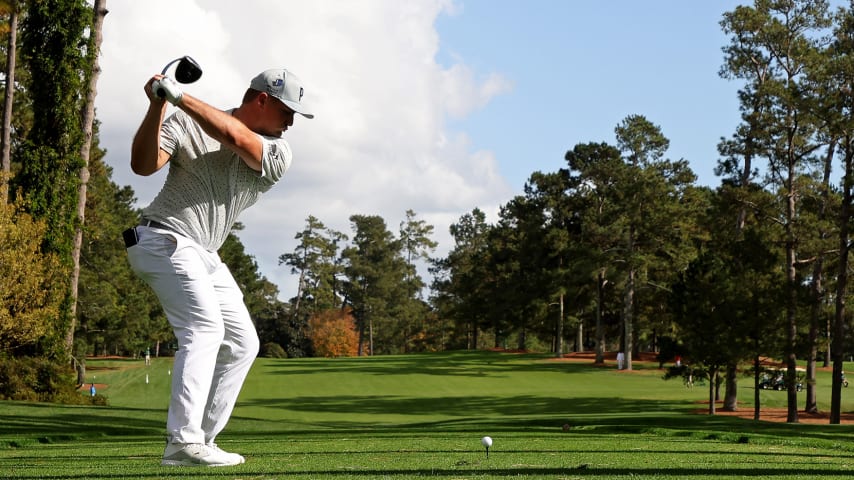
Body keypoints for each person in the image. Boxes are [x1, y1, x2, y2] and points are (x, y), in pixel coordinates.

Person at [124, 67, 314, 467]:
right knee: (205, 328)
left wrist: (176, 96)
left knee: (244, 343)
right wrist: (157, 107)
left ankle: (201, 439)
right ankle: (183, 440)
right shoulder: (184, 121)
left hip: (204, 254)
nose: (292, 122)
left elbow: (233, 136)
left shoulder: (279, 151)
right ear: (262, 100)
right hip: (163, 238)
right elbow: (142, 166)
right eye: (287, 112)